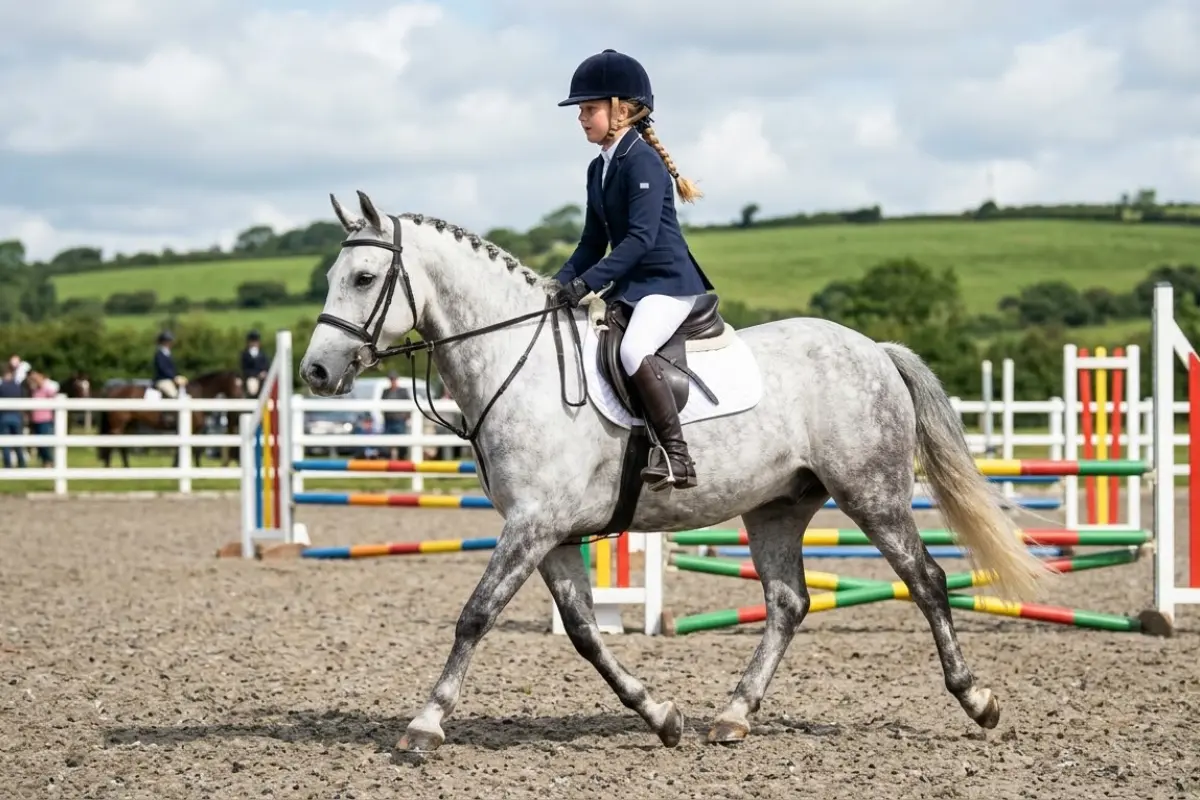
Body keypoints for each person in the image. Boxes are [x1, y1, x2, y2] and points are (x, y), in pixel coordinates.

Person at [550, 48, 714, 492]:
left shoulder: (642, 160)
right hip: (632, 287)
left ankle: (678, 457)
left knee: (632, 350)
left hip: (666, 284)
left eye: (589, 109)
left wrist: (588, 284)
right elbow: (590, 242)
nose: (581, 118)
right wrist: (555, 285)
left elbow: (640, 240)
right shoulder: (598, 167)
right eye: (581, 110)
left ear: (620, 110)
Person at [0, 364, 26, 468]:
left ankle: (8, 464)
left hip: (4, 417)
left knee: (6, 443)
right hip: (16, 416)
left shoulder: (2, 387)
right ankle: (22, 463)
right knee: (18, 442)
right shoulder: (17, 387)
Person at [152, 331, 187, 398]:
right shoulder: (159, 354)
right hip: (162, 380)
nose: (171, 343)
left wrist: (178, 376)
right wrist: (174, 377)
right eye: (169, 341)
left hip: (170, 379)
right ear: (164, 342)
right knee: (174, 395)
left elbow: (173, 368)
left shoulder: (168, 353)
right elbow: (162, 368)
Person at [240, 330, 270, 398]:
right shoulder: (245, 355)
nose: (254, 343)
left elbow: (266, 366)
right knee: (252, 389)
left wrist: (264, 372)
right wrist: (257, 375)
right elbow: (244, 369)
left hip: (264, 377)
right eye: (252, 341)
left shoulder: (263, 354)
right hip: (252, 377)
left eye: (256, 341)